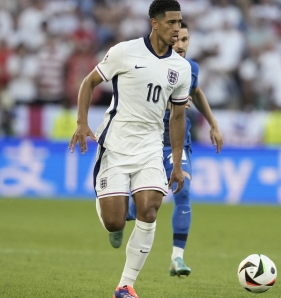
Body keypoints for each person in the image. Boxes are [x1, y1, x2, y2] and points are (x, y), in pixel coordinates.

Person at [68, 1, 191, 297]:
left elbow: (177, 117)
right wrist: (82, 123)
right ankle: (114, 219)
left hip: (150, 148)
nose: (177, 29)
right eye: (172, 22)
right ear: (155, 23)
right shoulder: (125, 51)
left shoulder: (181, 68)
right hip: (116, 146)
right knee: (114, 221)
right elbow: (89, 82)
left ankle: (125, 285)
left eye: (180, 22)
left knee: (149, 208)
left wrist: (175, 164)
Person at [111, 21, 224, 278]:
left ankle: (177, 258)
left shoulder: (189, 69)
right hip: (148, 142)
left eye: (186, 40)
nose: (181, 44)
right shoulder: (151, 65)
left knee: (183, 192)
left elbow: (197, 92)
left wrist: (214, 124)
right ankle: (119, 218)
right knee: (149, 205)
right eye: (178, 39)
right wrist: (172, 106)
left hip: (176, 144)